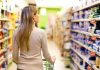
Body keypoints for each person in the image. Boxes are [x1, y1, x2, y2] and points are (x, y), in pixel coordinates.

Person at [12, 4, 55, 70]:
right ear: (33, 17)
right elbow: (46, 55)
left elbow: (14, 57)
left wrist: (22, 64)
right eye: (37, 13)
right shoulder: (41, 33)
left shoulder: (16, 32)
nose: (39, 15)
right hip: (37, 67)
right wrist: (52, 60)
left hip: (21, 67)